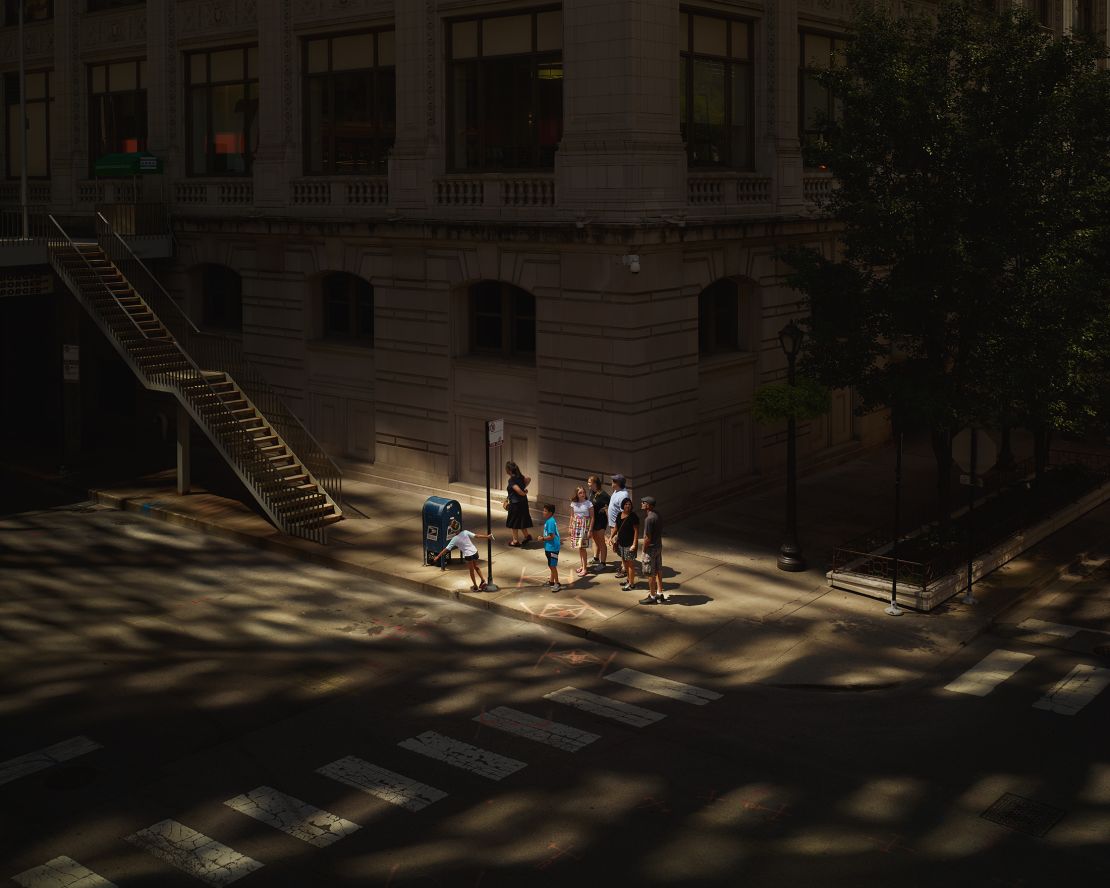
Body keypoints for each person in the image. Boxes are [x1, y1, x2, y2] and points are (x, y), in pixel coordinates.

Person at [432, 528, 496, 592]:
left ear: (453, 531)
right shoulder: (465, 532)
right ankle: (483, 580)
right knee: (476, 567)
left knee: (471, 571)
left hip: (468, 555)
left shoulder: (454, 539)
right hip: (475, 552)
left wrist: (438, 556)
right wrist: (487, 536)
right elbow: (476, 536)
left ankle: (475, 586)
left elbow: (446, 549)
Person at [638, 496, 666, 604]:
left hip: (651, 549)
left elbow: (647, 538)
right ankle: (660, 592)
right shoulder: (657, 515)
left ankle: (652, 595)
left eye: (643, 502)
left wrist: (644, 550)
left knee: (650, 572)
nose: (641, 504)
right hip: (658, 546)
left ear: (648, 506)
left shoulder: (649, 519)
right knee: (658, 569)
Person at [609, 498, 639, 591]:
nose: (628, 506)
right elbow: (616, 527)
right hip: (621, 543)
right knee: (624, 562)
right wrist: (611, 537)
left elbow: (636, 531)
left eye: (629, 504)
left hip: (629, 544)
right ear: (623, 505)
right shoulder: (619, 515)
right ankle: (628, 580)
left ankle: (631, 584)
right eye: (626, 504)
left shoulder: (633, 516)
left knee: (630, 564)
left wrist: (634, 544)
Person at [607, 474, 631, 577]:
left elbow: (624, 513)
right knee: (617, 547)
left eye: (613, 481)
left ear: (618, 484)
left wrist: (619, 530)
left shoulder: (623, 495)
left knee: (621, 547)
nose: (612, 482)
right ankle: (623, 565)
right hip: (613, 524)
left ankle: (624, 569)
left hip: (618, 527)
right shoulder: (616, 491)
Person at [504, 460, 534, 546]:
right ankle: (527, 536)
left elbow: (517, 490)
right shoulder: (520, 477)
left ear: (509, 470)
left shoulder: (512, 480)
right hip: (523, 503)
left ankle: (515, 541)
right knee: (521, 520)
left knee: (514, 522)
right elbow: (529, 479)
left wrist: (523, 492)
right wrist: (524, 488)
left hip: (516, 504)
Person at [568, 486, 594, 577]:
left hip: (585, 526)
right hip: (576, 526)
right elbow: (572, 516)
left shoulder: (588, 503)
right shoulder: (573, 504)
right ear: (577, 494)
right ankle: (582, 566)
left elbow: (592, 517)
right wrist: (570, 527)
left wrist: (590, 530)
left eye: (583, 492)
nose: (582, 494)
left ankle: (585, 569)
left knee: (583, 548)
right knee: (579, 548)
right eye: (580, 493)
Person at [587, 475, 610, 570]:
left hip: (601, 521)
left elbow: (610, 505)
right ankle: (596, 558)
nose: (588, 484)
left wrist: (606, 508)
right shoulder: (592, 492)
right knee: (595, 539)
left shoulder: (604, 495)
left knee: (601, 541)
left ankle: (603, 563)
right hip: (593, 520)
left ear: (595, 483)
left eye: (589, 482)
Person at [538, 503, 562, 592]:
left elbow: (551, 536)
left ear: (550, 513)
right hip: (550, 547)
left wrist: (542, 538)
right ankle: (552, 582)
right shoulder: (549, 520)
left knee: (552, 566)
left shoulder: (550, 522)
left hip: (553, 547)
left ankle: (557, 583)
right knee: (551, 565)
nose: (543, 512)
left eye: (545, 511)